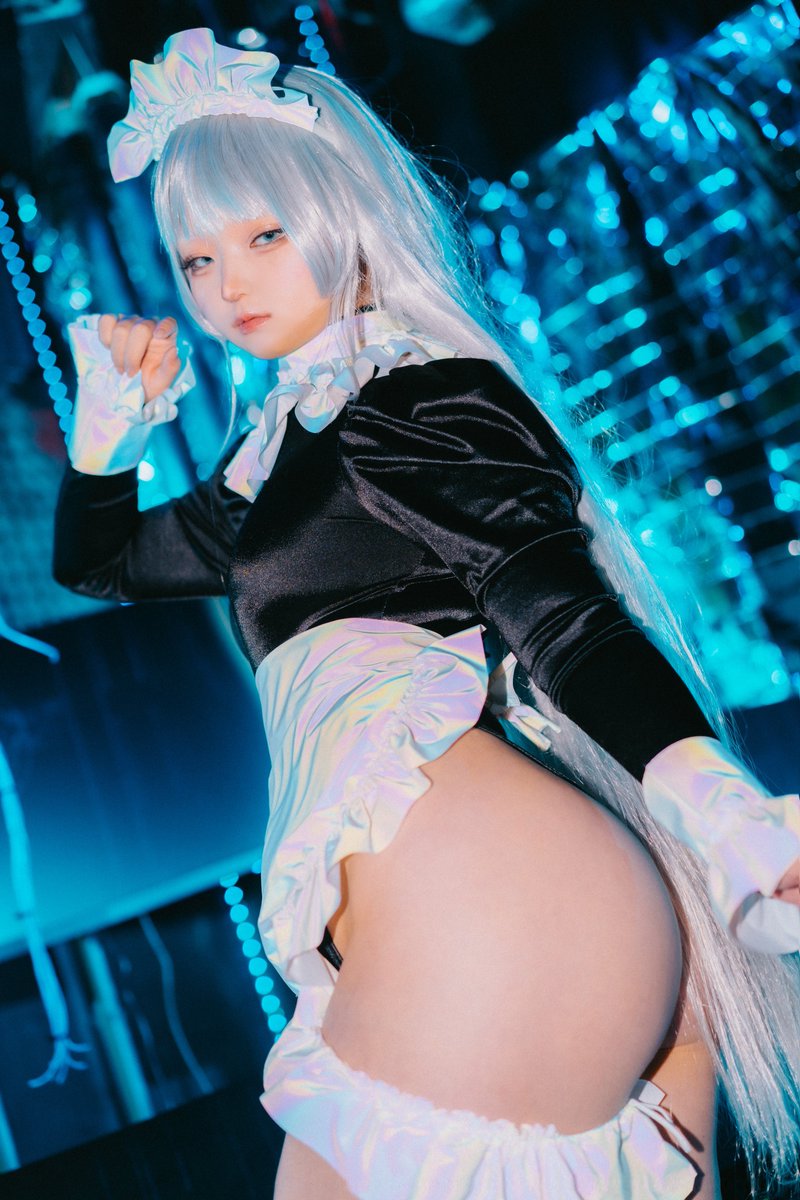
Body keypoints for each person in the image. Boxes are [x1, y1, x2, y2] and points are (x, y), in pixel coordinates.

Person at [52, 27, 800, 1200]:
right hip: (451, 924)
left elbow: (564, 616)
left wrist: (722, 808)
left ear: (341, 213)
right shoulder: (278, 459)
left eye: (262, 236)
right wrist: (104, 436)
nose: (226, 285)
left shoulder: (413, 399)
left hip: (487, 907)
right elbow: (102, 565)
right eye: (194, 258)